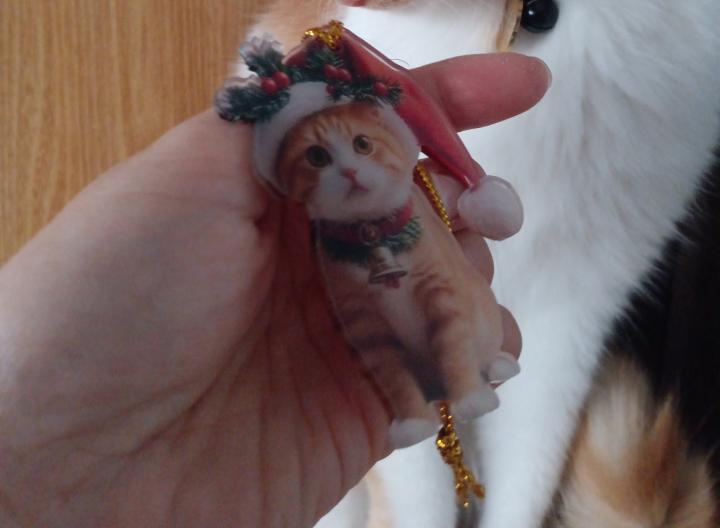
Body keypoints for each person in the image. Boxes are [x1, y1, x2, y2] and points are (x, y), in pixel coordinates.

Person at [0, 53, 549, 528]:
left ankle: (477, 366)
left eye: (361, 145)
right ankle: (418, 405)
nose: (349, 170)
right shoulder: (326, 248)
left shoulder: (408, 212)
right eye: (318, 157)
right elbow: (369, 340)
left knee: (454, 306)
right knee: (376, 336)